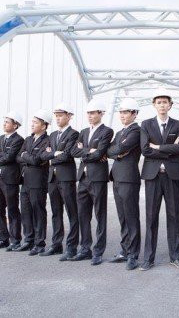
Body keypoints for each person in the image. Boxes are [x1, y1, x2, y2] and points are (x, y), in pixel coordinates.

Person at [139, 88, 179, 271]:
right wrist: (169, 149)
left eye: (165, 102)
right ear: (154, 105)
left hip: (172, 175)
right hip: (153, 175)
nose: (162, 105)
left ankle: (175, 256)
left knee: (174, 216)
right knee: (151, 217)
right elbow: (145, 149)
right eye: (159, 102)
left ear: (170, 105)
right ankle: (148, 259)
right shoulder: (146, 124)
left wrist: (158, 147)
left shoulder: (178, 125)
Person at [71, 100, 114, 266]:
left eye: (93, 113)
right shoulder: (83, 132)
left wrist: (85, 152)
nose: (90, 116)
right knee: (83, 214)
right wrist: (90, 151)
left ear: (101, 113)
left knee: (99, 215)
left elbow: (100, 153)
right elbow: (73, 151)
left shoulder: (107, 131)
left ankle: (98, 251)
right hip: (83, 177)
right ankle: (85, 249)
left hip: (97, 178)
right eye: (88, 113)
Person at [40, 103, 80, 260]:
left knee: (72, 212)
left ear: (69, 116)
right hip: (53, 178)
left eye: (61, 115)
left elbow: (67, 155)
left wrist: (53, 155)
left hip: (66, 178)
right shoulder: (52, 136)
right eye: (56, 116)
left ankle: (72, 247)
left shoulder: (74, 134)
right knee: (56, 213)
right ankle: (56, 245)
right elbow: (43, 155)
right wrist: (55, 154)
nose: (57, 118)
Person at [107, 98, 142, 270]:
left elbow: (120, 148)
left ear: (134, 114)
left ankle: (133, 254)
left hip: (129, 178)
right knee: (123, 218)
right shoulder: (120, 132)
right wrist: (116, 152)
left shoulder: (136, 131)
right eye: (121, 112)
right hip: (117, 177)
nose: (122, 115)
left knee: (131, 217)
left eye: (126, 112)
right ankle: (125, 250)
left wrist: (117, 150)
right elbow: (109, 150)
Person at [15, 110, 51, 255]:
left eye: (35, 122)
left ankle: (39, 243)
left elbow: (38, 160)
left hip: (38, 181)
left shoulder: (47, 140)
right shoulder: (28, 139)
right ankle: (28, 240)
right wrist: (27, 157)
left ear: (44, 126)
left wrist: (26, 156)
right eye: (32, 122)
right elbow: (18, 157)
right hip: (25, 181)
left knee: (38, 212)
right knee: (26, 211)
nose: (32, 124)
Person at [0, 111, 24, 251]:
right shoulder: (0, 138)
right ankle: (3, 239)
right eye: (4, 122)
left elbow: (10, 157)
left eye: (7, 122)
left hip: (10, 179)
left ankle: (15, 240)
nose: (4, 124)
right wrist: (2, 154)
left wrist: (0, 155)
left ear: (15, 125)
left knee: (12, 210)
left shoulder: (18, 140)